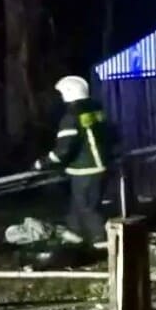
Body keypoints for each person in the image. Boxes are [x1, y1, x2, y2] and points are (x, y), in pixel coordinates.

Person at [34, 75, 116, 251]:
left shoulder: (71, 117)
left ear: (69, 93)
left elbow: (64, 149)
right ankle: (74, 233)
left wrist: (44, 163)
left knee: (87, 206)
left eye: (62, 93)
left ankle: (102, 242)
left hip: (85, 169)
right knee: (78, 202)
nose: (61, 97)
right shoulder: (95, 110)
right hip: (100, 165)